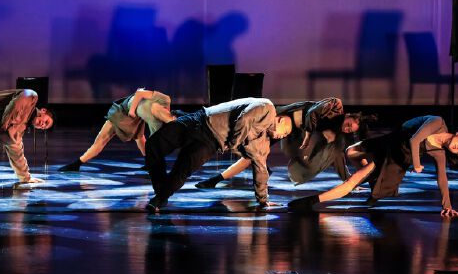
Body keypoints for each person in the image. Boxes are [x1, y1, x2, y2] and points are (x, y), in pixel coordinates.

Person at [288, 116, 458, 217]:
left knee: (353, 181)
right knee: (351, 151)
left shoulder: (439, 153)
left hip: (395, 156)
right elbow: (415, 139)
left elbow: (442, 178)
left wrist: (447, 205)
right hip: (391, 141)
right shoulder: (438, 122)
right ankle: (374, 180)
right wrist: (416, 164)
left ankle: (311, 201)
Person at [145, 97, 292, 212]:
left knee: (182, 170)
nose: (282, 136)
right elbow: (244, 119)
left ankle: (160, 198)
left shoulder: (263, 146)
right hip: (199, 120)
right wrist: (234, 143)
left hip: (211, 142)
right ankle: (160, 191)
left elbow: (261, 170)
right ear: (280, 120)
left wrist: (263, 200)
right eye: (285, 132)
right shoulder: (267, 108)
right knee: (153, 145)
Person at [195, 98, 366, 188]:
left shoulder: (337, 133)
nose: (347, 128)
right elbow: (311, 113)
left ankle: (217, 179)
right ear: (348, 115)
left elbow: (337, 155)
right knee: (251, 152)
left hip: (292, 132)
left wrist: (349, 181)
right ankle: (216, 179)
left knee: (257, 153)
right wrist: (308, 136)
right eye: (348, 124)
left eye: (350, 130)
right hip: (283, 120)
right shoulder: (335, 107)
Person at [58, 88, 175, 172]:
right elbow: (140, 92)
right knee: (102, 139)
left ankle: (149, 163)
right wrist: (132, 110)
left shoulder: (157, 125)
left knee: (140, 138)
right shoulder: (165, 100)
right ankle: (77, 163)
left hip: (136, 118)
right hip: (123, 111)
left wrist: (157, 162)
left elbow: (154, 145)